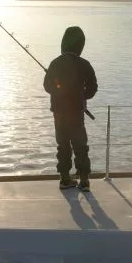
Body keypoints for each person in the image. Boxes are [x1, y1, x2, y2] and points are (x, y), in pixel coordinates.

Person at [43, 26, 98, 191]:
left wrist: (60, 91)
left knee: (63, 145)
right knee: (80, 146)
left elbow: (47, 86)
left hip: (59, 114)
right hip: (77, 113)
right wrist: (81, 96)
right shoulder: (84, 64)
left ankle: (65, 179)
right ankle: (84, 181)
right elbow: (93, 89)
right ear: (80, 45)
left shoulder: (55, 63)